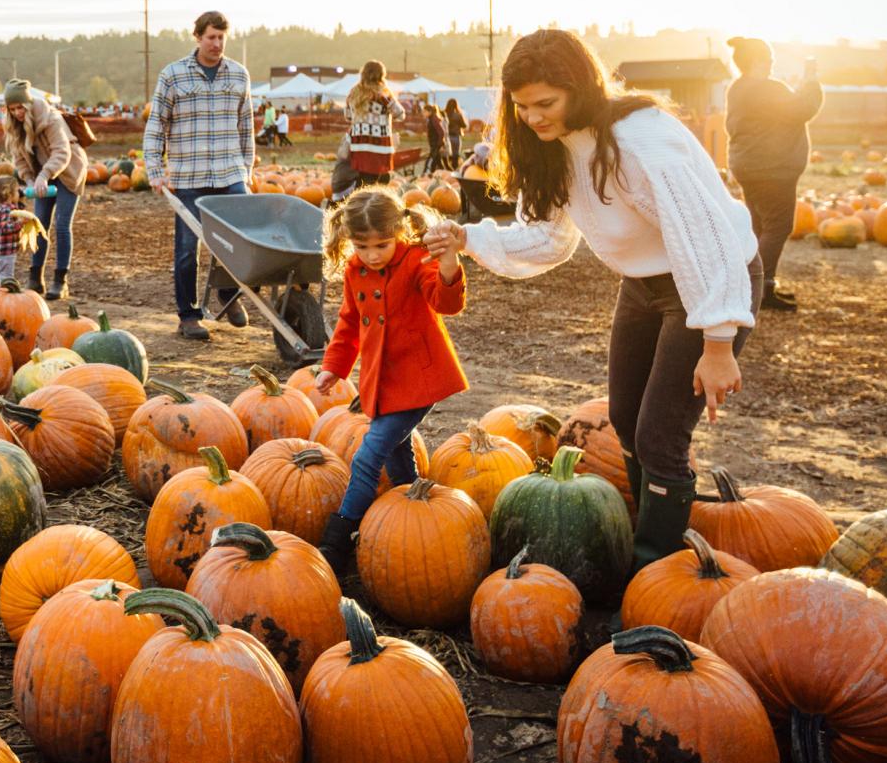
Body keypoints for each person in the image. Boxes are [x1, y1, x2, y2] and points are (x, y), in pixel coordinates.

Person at [423, 29, 761, 567]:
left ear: (579, 88)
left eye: (546, 104)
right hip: (646, 284)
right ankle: (643, 526)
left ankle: (658, 566)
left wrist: (718, 342)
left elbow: (705, 236)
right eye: (522, 107)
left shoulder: (641, 139)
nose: (533, 118)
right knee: (625, 418)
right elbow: (548, 239)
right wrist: (470, 238)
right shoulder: (553, 148)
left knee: (660, 435)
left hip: (710, 279)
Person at [313, 187, 467, 573]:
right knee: (398, 453)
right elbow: (350, 323)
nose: (372, 255)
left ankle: (338, 543)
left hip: (419, 380)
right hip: (383, 382)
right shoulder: (355, 270)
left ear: (398, 231)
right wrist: (334, 365)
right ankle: (419, 510)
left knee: (368, 456)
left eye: (381, 245)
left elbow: (445, 302)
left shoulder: (416, 259)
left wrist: (449, 264)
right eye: (362, 246)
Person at [143, 10, 255, 340]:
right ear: (198, 37)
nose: (217, 43)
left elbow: (246, 128)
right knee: (187, 248)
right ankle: (189, 316)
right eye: (211, 37)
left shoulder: (239, 75)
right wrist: (155, 170)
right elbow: (156, 126)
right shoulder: (173, 75)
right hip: (187, 176)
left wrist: (246, 171)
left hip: (229, 171)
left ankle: (228, 293)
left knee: (242, 238)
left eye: (222, 37)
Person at [726, 37, 823, 312]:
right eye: (769, 60)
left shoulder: (738, 88)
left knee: (759, 227)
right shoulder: (767, 88)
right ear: (758, 61)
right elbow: (802, 109)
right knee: (778, 226)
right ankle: (762, 288)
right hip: (772, 168)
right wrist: (811, 81)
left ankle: (751, 287)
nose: (771, 65)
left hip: (747, 165)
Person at [1, 78, 87, 300]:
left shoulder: (51, 118)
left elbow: (62, 152)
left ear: (28, 104)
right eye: (12, 109)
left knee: (62, 224)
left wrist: (44, 175)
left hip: (68, 171)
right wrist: (29, 180)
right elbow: (19, 159)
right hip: (41, 176)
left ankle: (60, 280)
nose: (17, 112)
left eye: (20, 107)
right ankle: (35, 278)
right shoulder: (14, 126)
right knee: (38, 224)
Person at [344, 60, 403, 188]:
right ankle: (366, 204)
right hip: (380, 144)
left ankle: (359, 203)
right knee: (381, 179)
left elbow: (347, 116)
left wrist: (362, 118)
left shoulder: (353, 93)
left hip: (359, 144)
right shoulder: (384, 94)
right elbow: (400, 114)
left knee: (364, 177)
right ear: (381, 75)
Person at [0, 174, 25, 287]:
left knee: (2, 272)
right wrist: (21, 223)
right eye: (17, 191)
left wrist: (20, 201)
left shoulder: (3, 207)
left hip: (3, 248)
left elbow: (17, 212)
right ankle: (3, 291)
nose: (19, 193)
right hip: (5, 250)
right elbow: (4, 228)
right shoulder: (6, 210)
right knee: (7, 276)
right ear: (9, 194)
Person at [422, 98, 448, 175]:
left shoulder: (434, 119)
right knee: (438, 162)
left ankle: (424, 174)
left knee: (430, 160)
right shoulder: (431, 119)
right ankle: (441, 174)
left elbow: (441, 132)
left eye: (424, 111)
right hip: (434, 144)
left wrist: (440, 144)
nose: (423, 113)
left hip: (436, 144)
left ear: (429, 112)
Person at [443, 98, 467, 169]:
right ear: (456, 105)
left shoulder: (444, 114)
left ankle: (448, 168)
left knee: (447, 154)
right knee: (455, 155)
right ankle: (454, 167)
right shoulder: (458, 115)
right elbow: (464, 125)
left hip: (446, 137)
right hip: (456, 136)